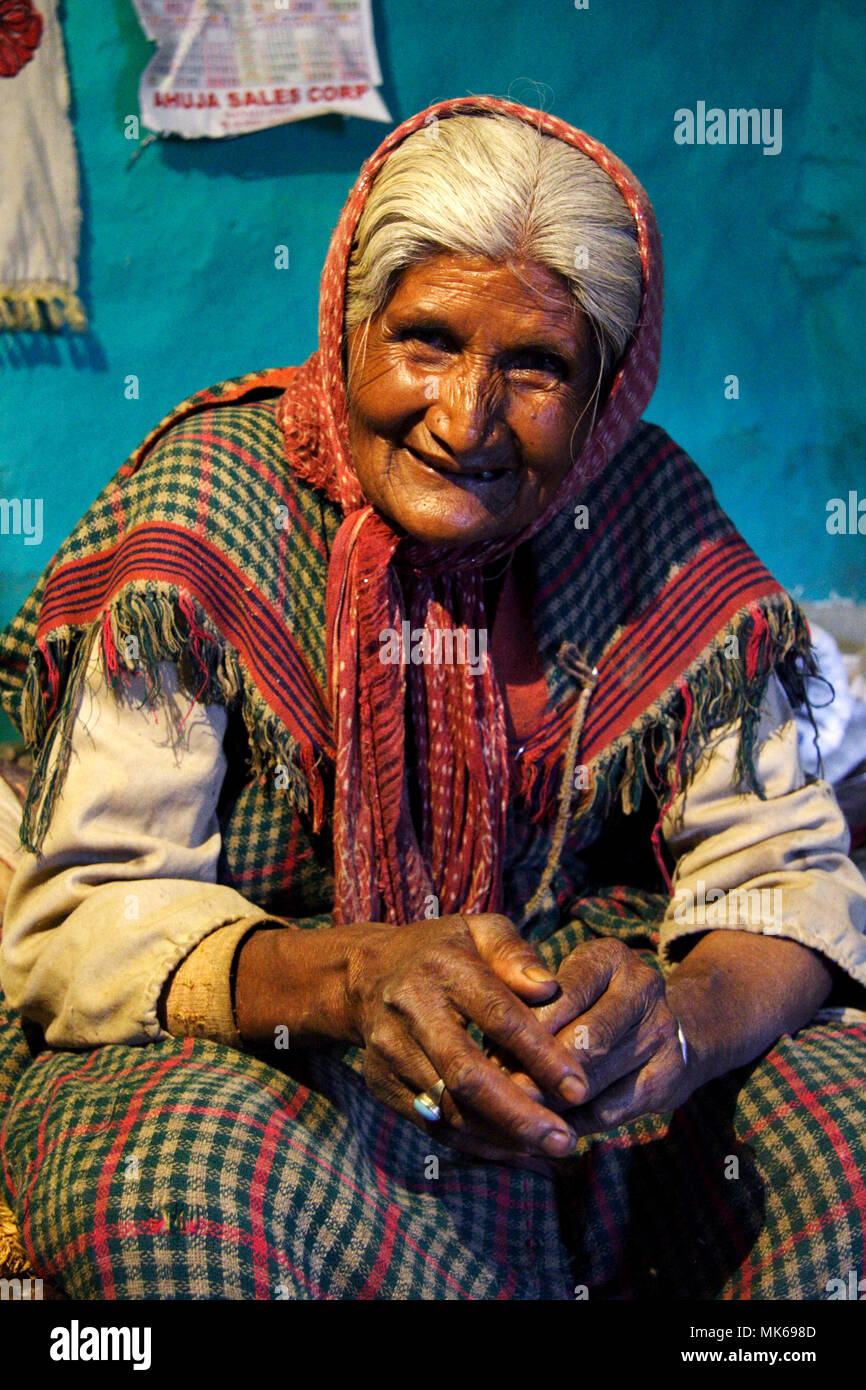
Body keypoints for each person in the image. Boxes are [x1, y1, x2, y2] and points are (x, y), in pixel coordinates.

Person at [0, 95, 865, 1301]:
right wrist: (354, 980)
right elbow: (80, 919)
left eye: (535, 366)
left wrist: (674, 1021)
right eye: (426, 342)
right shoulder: (206, 509)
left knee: (842, 1129)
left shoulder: (645, 513)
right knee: (183, 1172)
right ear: (348, 330)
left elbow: (786, 873)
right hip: (282, 1059)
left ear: (605, 384)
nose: (465, 421)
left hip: (588, 1104)